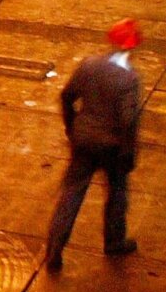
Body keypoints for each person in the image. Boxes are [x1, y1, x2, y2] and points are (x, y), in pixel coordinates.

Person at [42, 19, 145, 271]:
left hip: (84, 141)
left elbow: (66, 97)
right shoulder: (129, 79)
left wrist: (72, 127)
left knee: (72, 194)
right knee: (117, 192)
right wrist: (128, 152)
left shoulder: (89, 66)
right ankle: (114, 241)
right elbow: (128, 120)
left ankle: (55, 248)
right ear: (131, 48)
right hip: (112, 146)